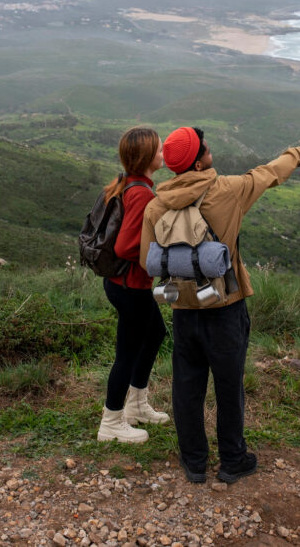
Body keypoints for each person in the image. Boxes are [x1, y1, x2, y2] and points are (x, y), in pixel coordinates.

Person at [140, 127, 300, 482]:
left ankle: (194, 462)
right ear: (198, 160)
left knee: (186, 388)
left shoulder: (155, 205)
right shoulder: (229, 191)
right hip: (225, 306)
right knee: (228, 387)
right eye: (205, 147)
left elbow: (147, 259)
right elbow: (270, 173)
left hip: (183, 310)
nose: (210, 149)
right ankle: (232, 460)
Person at [96, 126, 171, 443]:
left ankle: (137, 406)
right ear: (145, 157)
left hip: (122, 283)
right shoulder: (140, 193)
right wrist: (161, 255)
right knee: (126, 353)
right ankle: (111, 423)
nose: (162, 153)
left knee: (155, 333)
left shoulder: (126, 182)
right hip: (130, 287)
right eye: (158, 150)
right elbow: (126, 246)